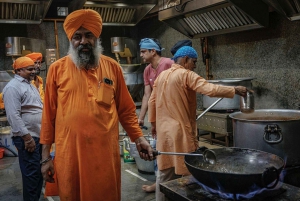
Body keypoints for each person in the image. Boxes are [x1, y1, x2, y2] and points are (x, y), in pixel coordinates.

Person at [39, 9, 154, 201]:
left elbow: (125, 110)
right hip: (70, 155)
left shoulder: (112, 67)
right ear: (71, 40)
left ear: (96, 38)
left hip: (104, 156)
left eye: (88, 35)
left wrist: (138, 137)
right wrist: (45, 158)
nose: (83, 41)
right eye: (77, 36)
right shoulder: (56, 69)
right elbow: (48, 116)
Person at [148, 46, 247, 201]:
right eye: (194, 62)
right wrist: (234, 90)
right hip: (180, 132)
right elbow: (210, 89)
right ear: (186, 59)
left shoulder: (162, 76)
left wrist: (153, 124)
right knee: (188, 172)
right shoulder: (186, 75)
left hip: (163, 132)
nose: (195, 65)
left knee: (164, 173)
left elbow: (152, 101)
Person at [3, 57, 43, 201]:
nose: (34, 71)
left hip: (37, 136)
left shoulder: (30, 85)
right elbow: (13, 116)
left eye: (34, 68)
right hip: (28, 139)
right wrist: (27, 138)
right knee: (31, 176)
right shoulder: (13, 87)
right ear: (18, 70)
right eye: (30, 69)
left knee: (38, 174)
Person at [138, 38, 174, 193]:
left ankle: (169, 183)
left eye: (143, 51)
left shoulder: (168, 64)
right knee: (157, 148)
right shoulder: (147, 70)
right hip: (158, 116)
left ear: (153, 51)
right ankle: (159, 183)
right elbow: (147, 95)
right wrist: (141, 118)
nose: (141, 55)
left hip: (171, 114)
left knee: (170, 148)